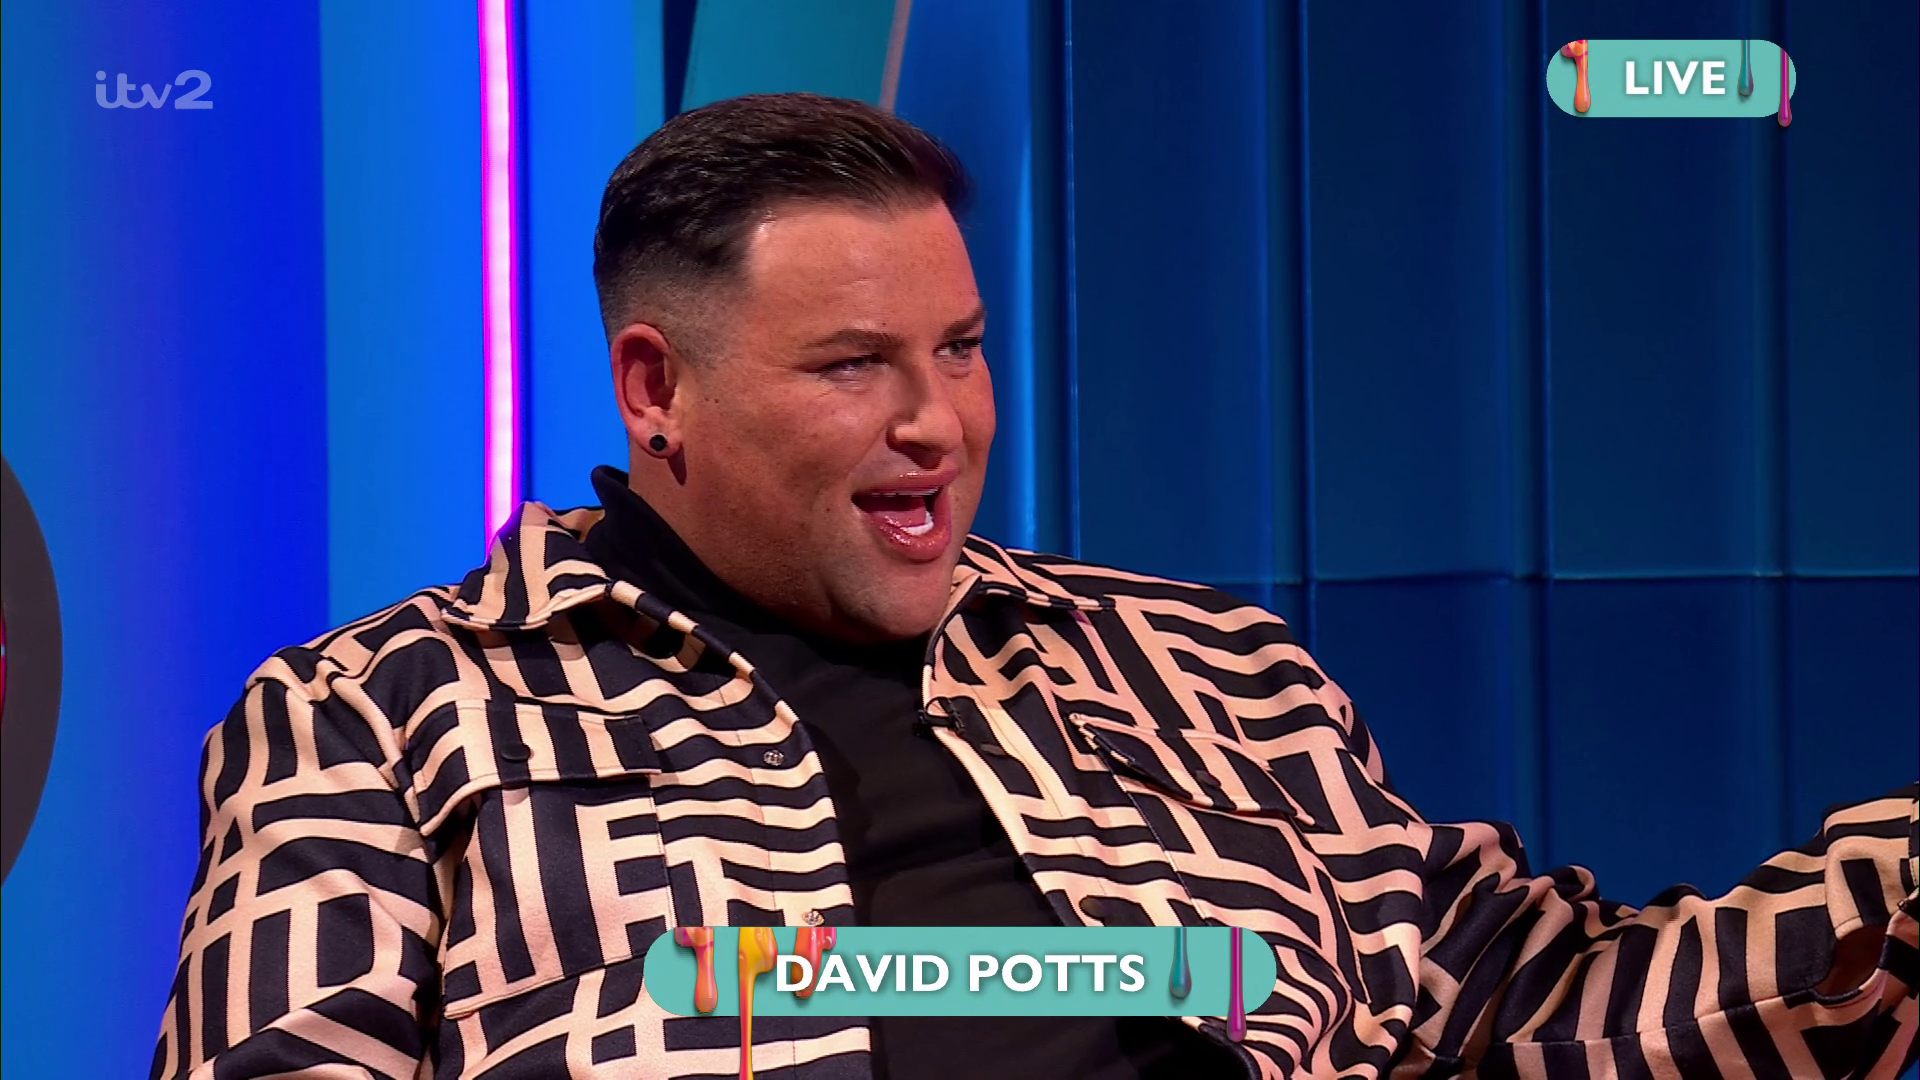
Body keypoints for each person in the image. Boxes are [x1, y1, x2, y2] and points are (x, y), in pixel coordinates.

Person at [152, 93, 1915, 1080]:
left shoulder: (1208, 667)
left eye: (963, 347)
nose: (939, 422)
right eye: (854, 364)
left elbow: (1527, 1011)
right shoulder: (380, 715)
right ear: (655, 387)